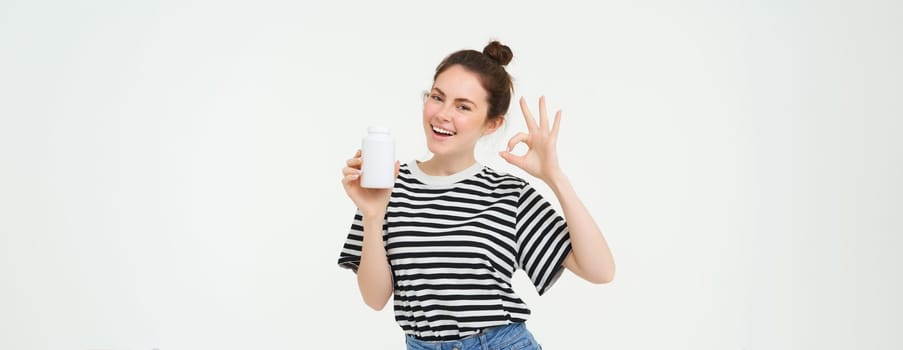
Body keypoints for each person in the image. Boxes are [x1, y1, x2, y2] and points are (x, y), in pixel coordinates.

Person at [338, 40, 615, 349]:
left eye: (463, 106)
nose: (443, 114)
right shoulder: (387, 187)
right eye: (437, 97)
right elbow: (375, 299)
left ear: (491, 124)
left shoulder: (508, 195)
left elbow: (600, 270)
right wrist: (373, 215)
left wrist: (555, 177)